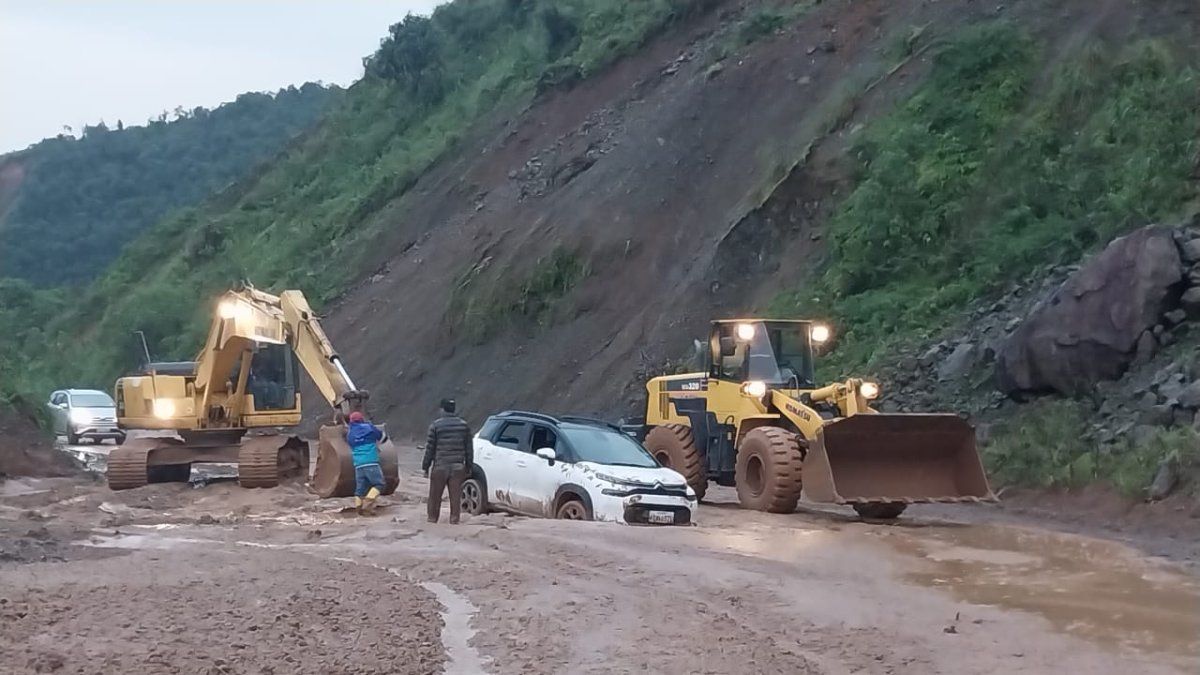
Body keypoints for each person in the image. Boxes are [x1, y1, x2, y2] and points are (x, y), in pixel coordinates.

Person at [422, 398, 472, 524]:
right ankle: (454, 521)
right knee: (455, 497)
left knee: (434, 497)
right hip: (458, 467)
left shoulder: (435, 426)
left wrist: (426, 467)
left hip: (440, 466)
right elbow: (469, 449)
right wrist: (468, 467)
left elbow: (430, 448)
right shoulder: (464, 426)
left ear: (442, 409)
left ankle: (432, 520)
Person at [346, 411, 386, 515]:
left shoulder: (350, 434)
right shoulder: (369, 427)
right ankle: (367, 505)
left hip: (358, 465)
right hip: (371, 462)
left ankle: (358, 508)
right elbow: (383, 437)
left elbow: (351, 445)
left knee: (360, 489)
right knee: (379, 484)